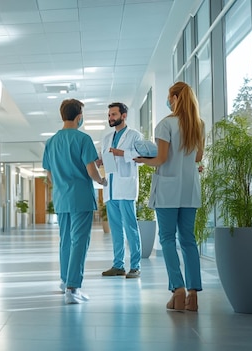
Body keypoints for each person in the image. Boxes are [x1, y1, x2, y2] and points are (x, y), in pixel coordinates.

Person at [134, 81, 204, 312]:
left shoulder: (166, 124)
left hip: (167, 190)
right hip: (189, 189)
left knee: (166, 238)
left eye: (168, 97)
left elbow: (161, 159)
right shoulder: (199, 125)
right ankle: (193, 294)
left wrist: (143, 160)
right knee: (188, 240)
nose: (168, 100)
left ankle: (178, 289)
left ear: (174, 98)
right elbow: (197, 158)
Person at [42, 98, 108, 304]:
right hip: (80, 198)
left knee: (66, 241)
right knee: (79, 241)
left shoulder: (51, 142)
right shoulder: (83, 139)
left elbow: (50, 175)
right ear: (79, 117)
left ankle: (65, 281)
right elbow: (91, 171)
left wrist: (62, 184)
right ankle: (73, 288)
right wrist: (102, 180)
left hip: (61, 199)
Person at [99, 102, 144, 279]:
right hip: (110, 188)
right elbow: (104, 159)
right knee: (116, 230)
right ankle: (118, 265)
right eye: (109, 115)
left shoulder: (135, 136)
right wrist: (98, 162)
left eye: (114, 115)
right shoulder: (106, 138)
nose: (111, 118)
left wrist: (120, 153)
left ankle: (135, 266)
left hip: (125, 187)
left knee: (131, 228)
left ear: (123, 116)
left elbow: (140, 157)